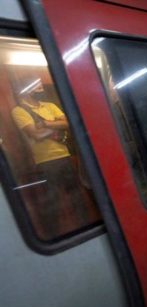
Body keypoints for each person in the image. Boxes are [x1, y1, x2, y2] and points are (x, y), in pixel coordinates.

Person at [11, 78, 87, 239]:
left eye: (40, 85)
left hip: (65, 156)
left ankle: (85, 227)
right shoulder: (19, 110)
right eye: (36, 86)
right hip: (46, 162)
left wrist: (44, 123)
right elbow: (35, 135)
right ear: (26, 90)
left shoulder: (50, 106)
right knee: (53, 201)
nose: (40, 88)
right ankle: (56, 235)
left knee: (77, 197)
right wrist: (55, 124)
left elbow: (68, 123)